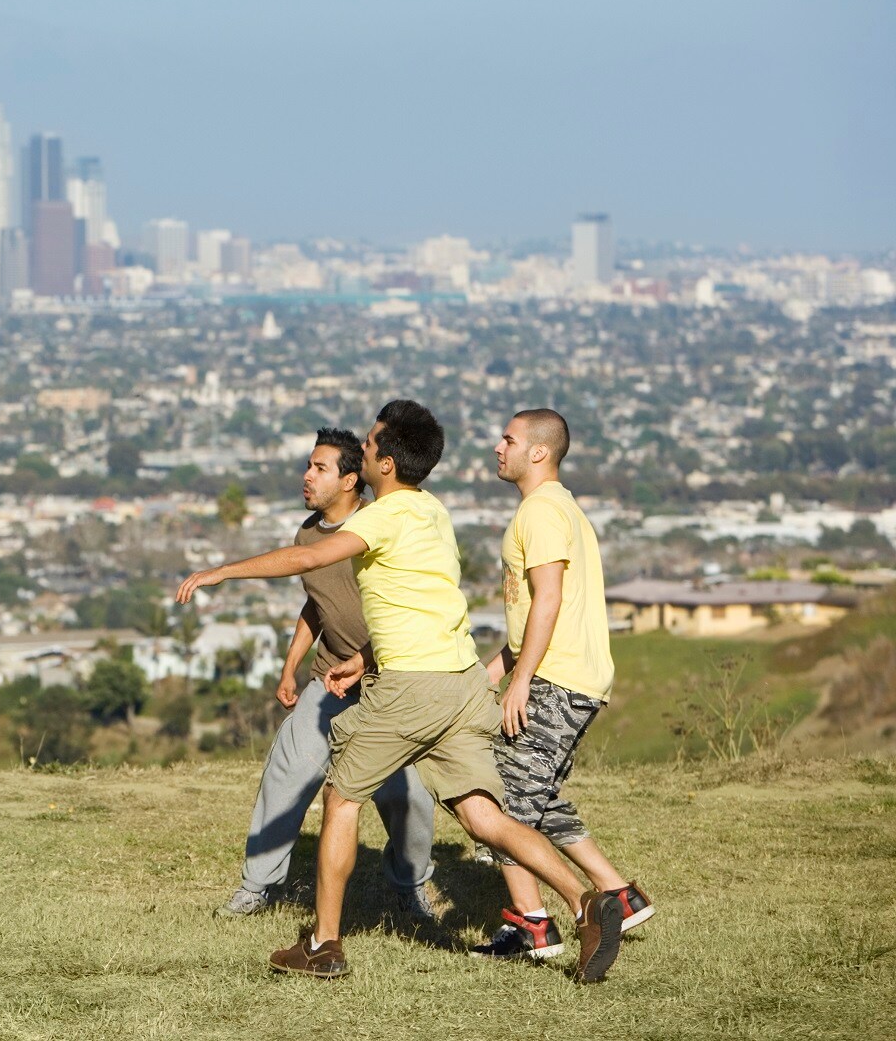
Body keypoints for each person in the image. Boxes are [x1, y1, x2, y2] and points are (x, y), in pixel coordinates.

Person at [177, 399, 624, 983]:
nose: (361, 451)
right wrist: (362, 660)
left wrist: (220, 572)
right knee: (484, 816)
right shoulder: (432, 511)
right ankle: (586, 900)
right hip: (461, 682)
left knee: (341, 798)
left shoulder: (383, 516)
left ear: (385, 464)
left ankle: (323, 945)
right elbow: (412, 601)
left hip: (411, 687)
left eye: (367, 446)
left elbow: (310, 556)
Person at [217, 428, 438, 921]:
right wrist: (291, 666)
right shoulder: (308, 533)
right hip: (329, 680)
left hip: (387, 684)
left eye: (319, 467)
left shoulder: (379, 526)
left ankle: (410, 888)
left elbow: (410, 608)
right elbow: (316, 603)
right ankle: (258, 887)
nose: (307, 475)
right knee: (287, 771)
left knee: (408, 795)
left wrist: (223, 571)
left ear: (349, 480)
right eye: (309, 465)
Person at [472, 409, 653, 961]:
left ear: (538, 452)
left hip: (555, 677)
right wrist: (491, 674)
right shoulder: (560, 508)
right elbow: (536, 615)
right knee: (537, 793)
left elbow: (547, 600)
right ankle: (620, 894)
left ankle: (533, 928)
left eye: (508, 439)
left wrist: (521, 680)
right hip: (568, 674)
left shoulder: (542, 512)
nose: (497, 448)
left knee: (505, 804)